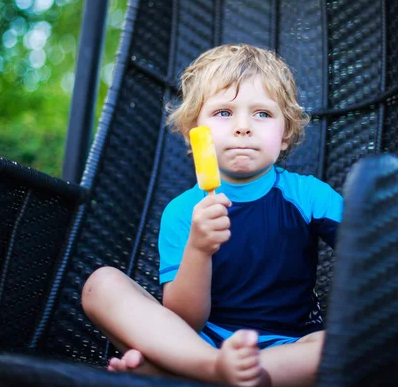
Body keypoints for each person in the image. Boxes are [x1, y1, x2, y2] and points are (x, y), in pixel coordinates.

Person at [82, 44, 343, 387]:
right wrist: (199, 248)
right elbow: (184, 320)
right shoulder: (183, 212)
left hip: (288, 346)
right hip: (198, 344)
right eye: (223, 112)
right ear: (195, 134)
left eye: (262, 114)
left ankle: (189, 375)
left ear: (286, 135)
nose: (243, 127)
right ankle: (212, 370)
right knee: (100, 285)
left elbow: (372, 248)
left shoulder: (310, 196)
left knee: (333, 347)